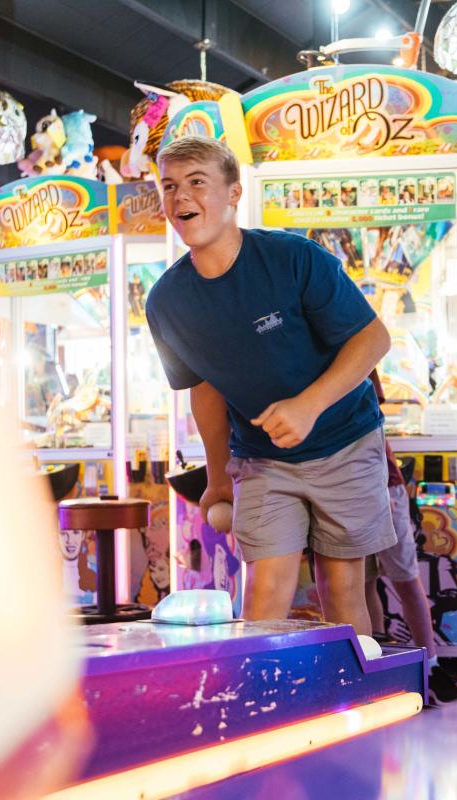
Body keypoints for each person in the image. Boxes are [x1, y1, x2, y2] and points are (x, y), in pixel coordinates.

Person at [145, 136, 394, 635]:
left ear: (234, 193)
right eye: (170, 186)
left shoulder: (295, 259)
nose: (181, 198)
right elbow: (205, 390)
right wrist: (218, 477)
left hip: (347, 440)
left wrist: (308, 406)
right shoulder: (166, 301)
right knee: (262, 592)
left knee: (342, 588)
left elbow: (373, 338)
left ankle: (363, 708)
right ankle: (260, 707)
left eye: (197, 183)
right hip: (261, 459)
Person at [363, 370, 457, 704]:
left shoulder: (350, 345)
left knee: (404, 578)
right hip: (349, 483)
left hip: (377, 480)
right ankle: (372, 655)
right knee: (360, 582)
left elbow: (372, 407)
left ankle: (431, 665)